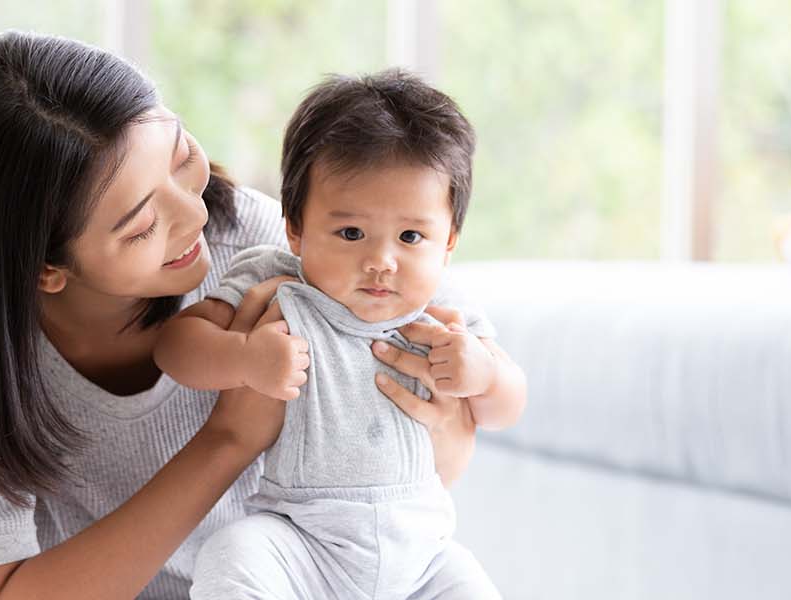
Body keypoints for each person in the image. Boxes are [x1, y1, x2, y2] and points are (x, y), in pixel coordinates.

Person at [0, 32, 493, 599]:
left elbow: (424, 468)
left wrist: (448, 423)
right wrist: (230, 438)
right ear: (45, 270)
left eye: (180, 157)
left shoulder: (265, 245)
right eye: (141, 226)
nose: (195, 216)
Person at [157, 70, 527, 599]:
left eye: (411, 236)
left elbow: (506, 407)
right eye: (350, 233)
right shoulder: (275, 280)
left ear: (448, 242)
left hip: (422, 551)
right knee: (233, 553)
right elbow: (176, 347)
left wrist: (485, 375)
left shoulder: (446, 308)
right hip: (302, 539)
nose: (381, 261)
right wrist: (243, 357)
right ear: (296, 228)